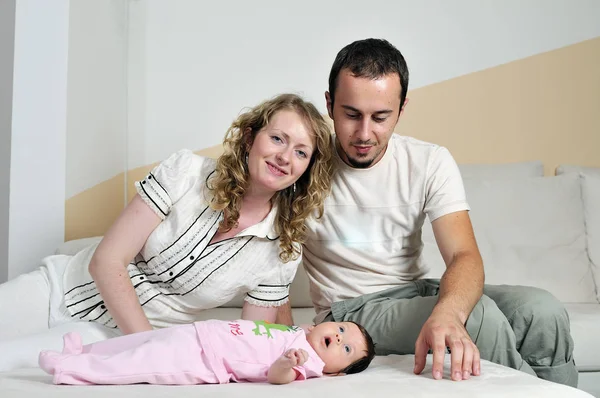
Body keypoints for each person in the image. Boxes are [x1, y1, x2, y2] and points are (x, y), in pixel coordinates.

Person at [277, 38, 577, 387]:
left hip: (415, 290)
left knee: (543, 310)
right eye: (351, 114)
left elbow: (464, 255)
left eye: (381, 117)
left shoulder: (429, 160)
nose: (364, 133)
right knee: (479, 318)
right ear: (329, 104)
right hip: (351, 310)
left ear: (402, 109)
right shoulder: (302, 163)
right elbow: (272, 266)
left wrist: (447, 311)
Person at [0, 93, 335, 371]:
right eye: (278, 138)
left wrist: (288, 356)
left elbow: (242, 340)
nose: (284, 157)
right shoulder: (186, 172)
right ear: (250, 138)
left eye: (301, 152)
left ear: (307, 170)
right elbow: (107, 261)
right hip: (57, 287)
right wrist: (151, 347)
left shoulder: (283, 251)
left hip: (110, 337)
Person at [38, 320, 375, 385]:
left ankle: (71, 370)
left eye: (346, 348)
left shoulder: (309, 362)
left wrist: (285, 364)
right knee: (140, 341)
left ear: (336, 371)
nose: (338, 337)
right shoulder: (301, 332)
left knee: (140, 363)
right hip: (202, 333)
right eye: (341, 328)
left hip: (205, 361)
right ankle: (84, 350)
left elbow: (277, 378)